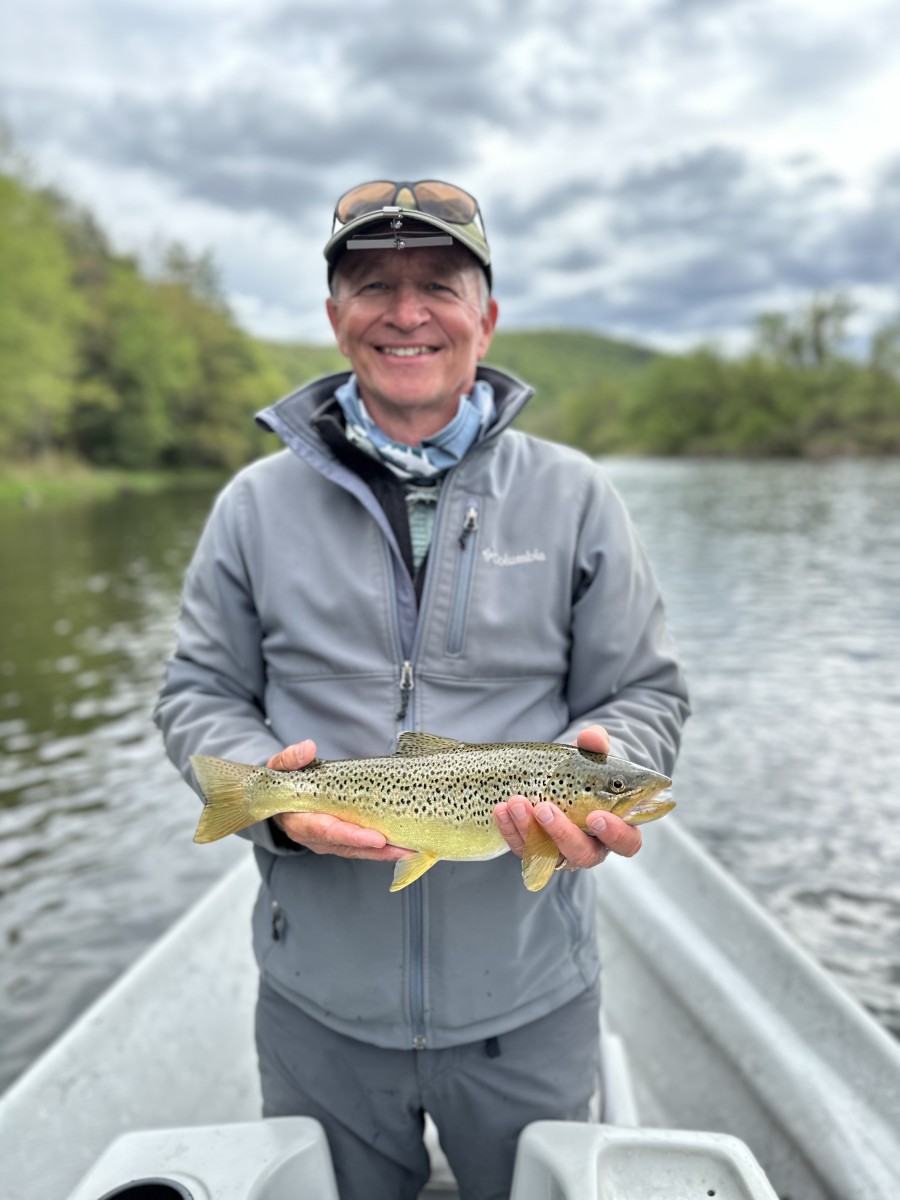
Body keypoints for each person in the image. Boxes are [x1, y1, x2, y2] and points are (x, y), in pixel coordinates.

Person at [154, 178, 689, 1200]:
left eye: (438, 284)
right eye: (373, 284)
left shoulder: (577, 497)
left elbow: (643, 694)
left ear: (486, 317)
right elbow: (199, 689)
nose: (406, 312)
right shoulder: (251, 506)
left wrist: (608, 764)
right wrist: (271, 797)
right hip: (318, 1004)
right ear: (335, 318)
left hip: (530, 997)